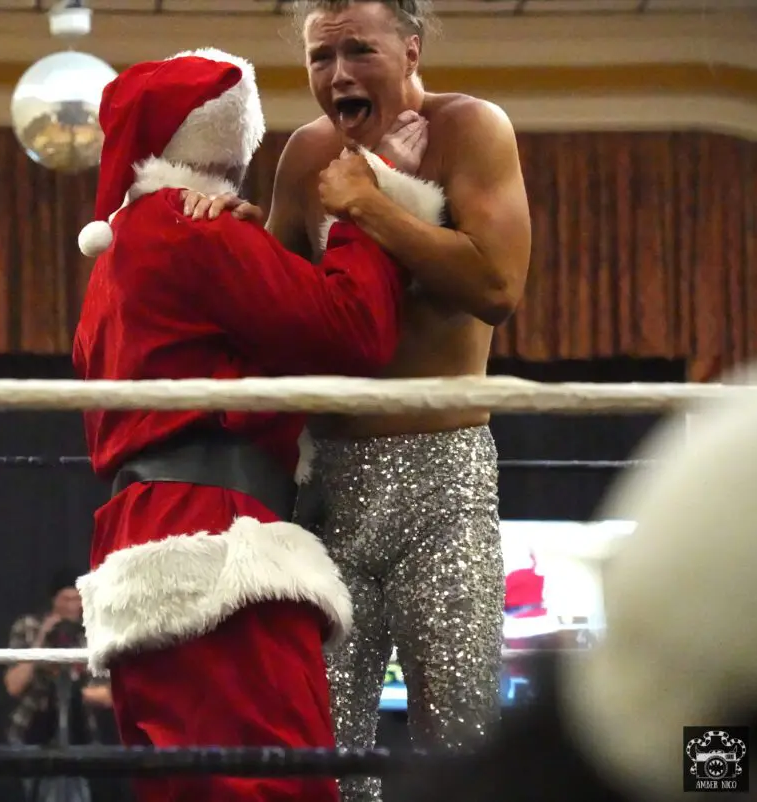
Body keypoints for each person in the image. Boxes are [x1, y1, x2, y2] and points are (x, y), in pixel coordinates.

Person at [72, 47, 447, 802]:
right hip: (217, 542)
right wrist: (371, 201)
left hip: (144, 534)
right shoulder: (190, 230)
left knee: (194, 787)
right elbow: (353, 330)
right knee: (270, 784)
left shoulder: (126, 250)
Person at [182, 1, 533, 799]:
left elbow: (496, 286)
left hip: (442, 475)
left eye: (359, 51)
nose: (338, 74)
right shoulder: (307, 152)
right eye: (321, 57)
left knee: (460, 736)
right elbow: (280, 309)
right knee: (326, 747)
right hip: (328, 481)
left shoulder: (471, 128)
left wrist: (372, 201)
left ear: (410, 50)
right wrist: (233, 232)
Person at [5, 571, 113, 802]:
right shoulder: (29, 627)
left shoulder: (92, 635)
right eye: (66, 599)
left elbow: (109, 695)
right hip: (33, 731)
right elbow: (14, 685)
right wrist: (42, 639)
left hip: (79, 733)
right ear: (54, 600)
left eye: (77, 599)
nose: (72, 606)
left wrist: (71, 686)